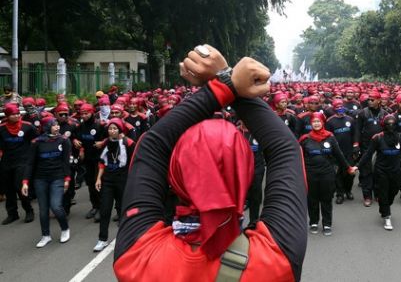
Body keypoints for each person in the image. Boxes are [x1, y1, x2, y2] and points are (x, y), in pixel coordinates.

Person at [113, 45, 308, 282]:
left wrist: (224, 85)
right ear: (246, 175)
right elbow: (285, 149)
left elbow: (152, 145)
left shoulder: (137, 258)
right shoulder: (275, 260)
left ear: (174, 176)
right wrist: (225, 77)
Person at [300, 112, 354, 236]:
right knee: (312, 199)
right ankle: (313, 222)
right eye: (314, 122)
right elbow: (299, 158)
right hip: (311, 174)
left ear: (323, 122)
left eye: (318, 121)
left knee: (326, 199)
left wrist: (348, 168)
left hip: (327, 173)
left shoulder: (330, 137)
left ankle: (327, 224)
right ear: (311, 123)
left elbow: (339, 155)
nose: (316, 124)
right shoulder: (305, 139)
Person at [21, 118, 71, 247]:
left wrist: (67, 179)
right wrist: (25, 181)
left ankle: (65, 229)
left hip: (57, 177)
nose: (57, 127)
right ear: (47, 127)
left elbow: (66, 162)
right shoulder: (36, 142)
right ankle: (45, 235)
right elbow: (30, 163)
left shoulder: (64, 141)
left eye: (58, 125)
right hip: (40, 179)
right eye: (54, 125)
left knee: (56, 206)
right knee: (43, 209)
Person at [356, 114, 401, 231]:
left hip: (395, 171)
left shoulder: (400, 137)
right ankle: (387, 216)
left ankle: (385, 207)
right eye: (388, 124)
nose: (391, 126)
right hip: (381, 171)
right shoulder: (377, 138)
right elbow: (368, 154)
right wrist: (357, 167)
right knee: (383, 193)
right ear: (384, 125)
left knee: (392, 193)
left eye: (393, 124)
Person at [93, 118, 136, 252]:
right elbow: (102, 162)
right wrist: (99, 179)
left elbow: (134, 162)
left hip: (123, 179)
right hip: (108, 180)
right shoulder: (106, 142)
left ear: (120, 130)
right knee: (105, 210)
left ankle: (128, 238)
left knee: (124, 210)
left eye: (115, 128)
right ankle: (102, 239)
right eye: (110, 129)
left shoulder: (128, 143)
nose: (112, 131)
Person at [0, 103, 37, 224]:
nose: (16, 116)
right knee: (8, 188)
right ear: (7, 116)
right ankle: (12, 214)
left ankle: (29, 210)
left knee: (19, 186)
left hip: (23, 161)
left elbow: (36, 141)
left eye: (17, 114)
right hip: (6, 161)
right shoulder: (2, 128)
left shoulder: (28, 126)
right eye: (13, 114)